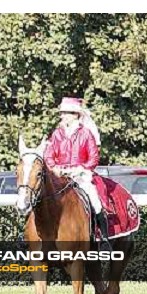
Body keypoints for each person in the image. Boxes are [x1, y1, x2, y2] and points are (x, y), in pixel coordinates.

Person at [43, 97, 112, 251]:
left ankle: (104, 239)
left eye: (65, 113)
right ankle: (27, 235)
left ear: (75, 115)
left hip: (80, 175)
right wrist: (54, 167)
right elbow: (48, 154)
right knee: (39, 195)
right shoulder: (57, 134)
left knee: (95, 200)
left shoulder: (86, 134)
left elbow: (94, 157)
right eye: (62, 113)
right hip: (59, 175)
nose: (62, 116)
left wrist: (81, 168)